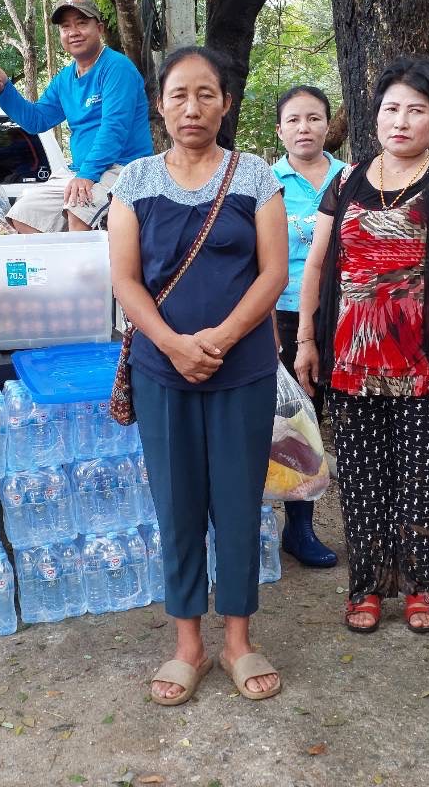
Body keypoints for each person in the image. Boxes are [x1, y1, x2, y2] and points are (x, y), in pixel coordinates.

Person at [108, 46, 289, 705]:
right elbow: (125, 279)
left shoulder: (255, 177)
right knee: (177, 506)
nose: (192, 107)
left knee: (239, 503)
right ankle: (189, 644)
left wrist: (221, 336)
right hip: (162, 370)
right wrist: (173, 343)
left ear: (226, 102)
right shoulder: (133, 182)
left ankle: (239, 640)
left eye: (205, 93)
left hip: (242, 369)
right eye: (179, 94)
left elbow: (273, 272)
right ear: (161, 104)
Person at [294, 55, 429, 636]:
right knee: (359, 478)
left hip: (423, 363)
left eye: (415, 110)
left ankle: (419, 586)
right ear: (374, 116)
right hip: (350, 361)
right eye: (390, 109)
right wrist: (307, 337)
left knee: (421, 477)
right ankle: (368, 586)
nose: (400, 121)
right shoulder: (345, 180)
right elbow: (318, 263)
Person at [0, 0, 154, 233]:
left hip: (123, 167)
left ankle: (88, 270)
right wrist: (4, 91)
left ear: (100, 28)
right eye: (66, 26)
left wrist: (86, 175)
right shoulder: (64, 79)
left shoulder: (117, 67)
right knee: (23, 214)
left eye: (82, 23)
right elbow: (37, 120)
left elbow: (114, 128)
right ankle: (57, 269)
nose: (73, 31)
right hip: (83, 170)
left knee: (78, 209)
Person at [270, 85, 346, 568]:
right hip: (283, 313)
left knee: (349, 419)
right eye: (294, 120)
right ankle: (300, 529)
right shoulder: (267, 183)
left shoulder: (354, 177)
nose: (305, 128)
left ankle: (368, 522)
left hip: (346, 313)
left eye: (314, 118)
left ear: (327, 126)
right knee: (297, 423)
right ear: (280, 130)